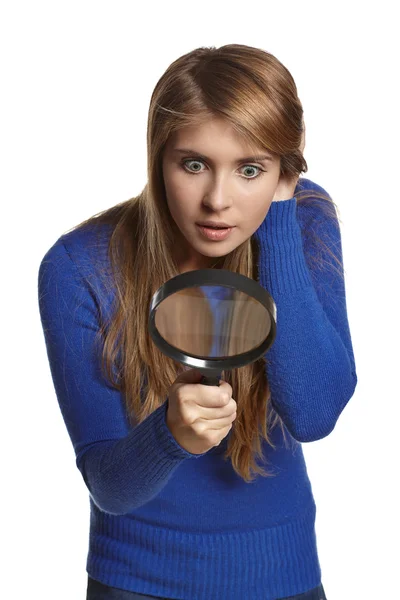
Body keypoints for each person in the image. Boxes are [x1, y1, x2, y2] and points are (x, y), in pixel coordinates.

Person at [37, 44, 357, 600]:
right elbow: (107, 484)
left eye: (251, 169)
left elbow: (315, 412)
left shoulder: (302, 221)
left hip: (283, 578)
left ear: (285, 170)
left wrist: (280, 219)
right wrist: (169, 436)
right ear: (158, 158)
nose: (217, 200)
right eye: (193, 164)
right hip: (135, 583)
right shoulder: (79, 266)